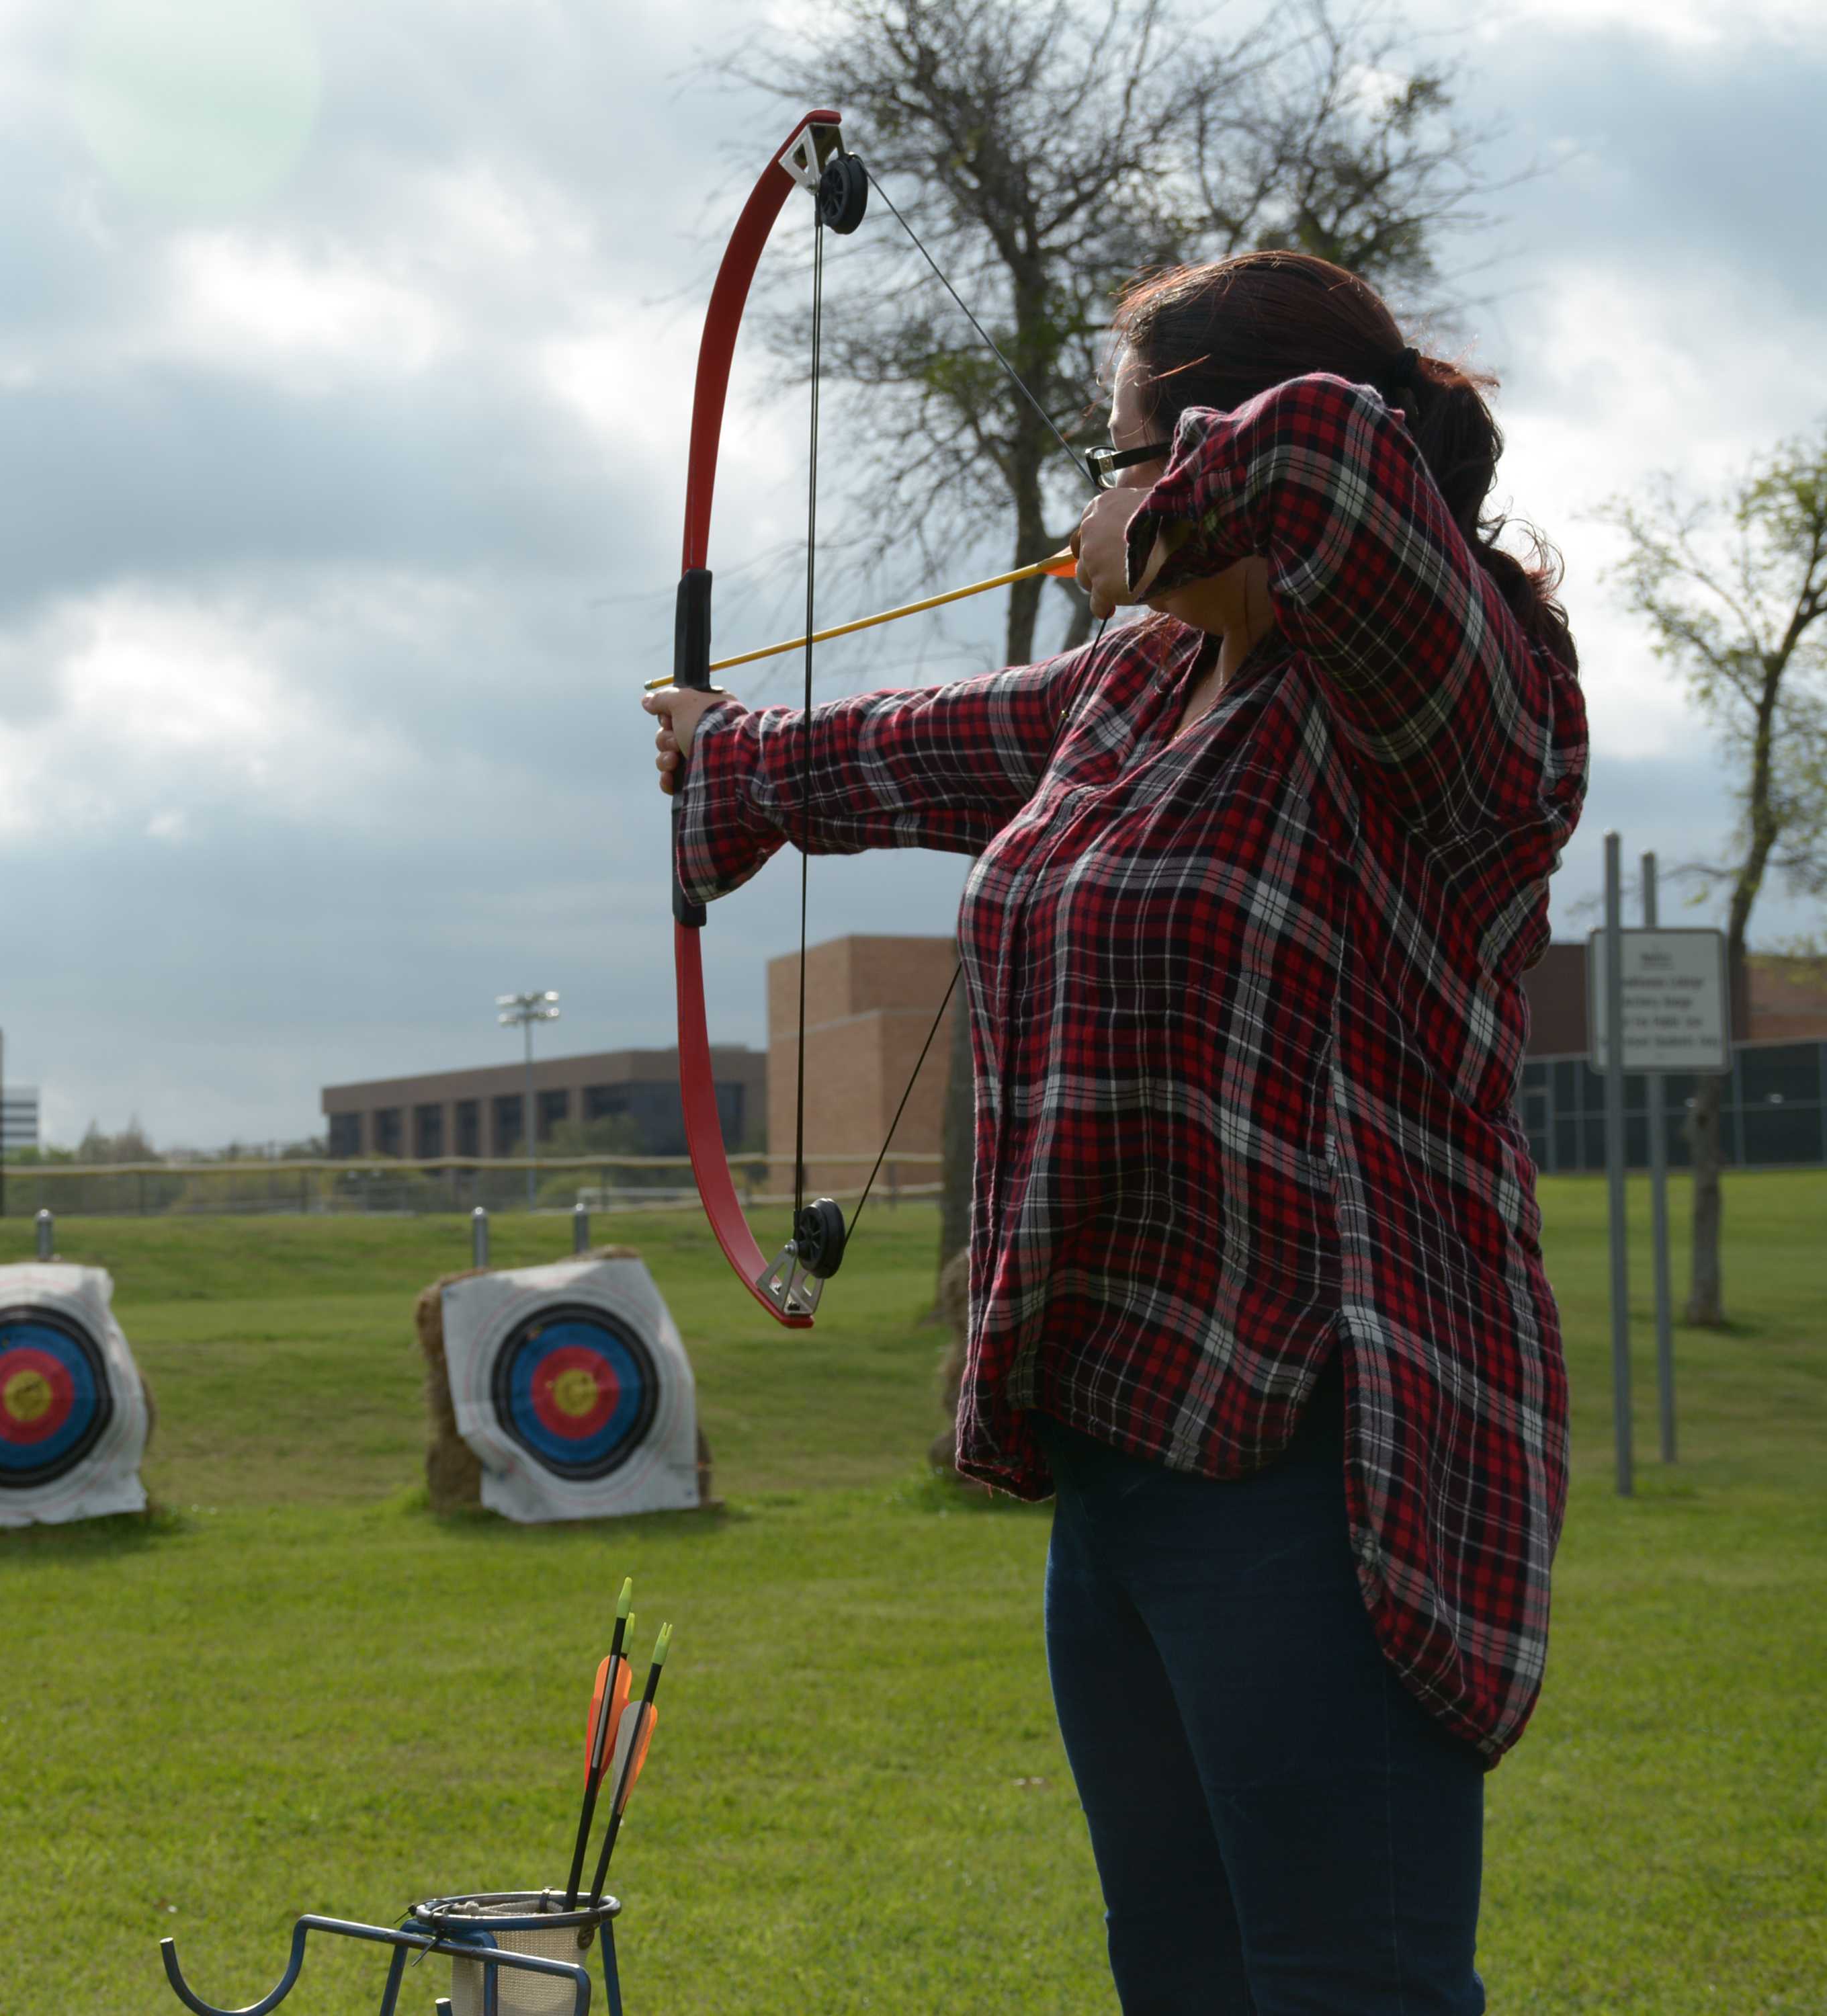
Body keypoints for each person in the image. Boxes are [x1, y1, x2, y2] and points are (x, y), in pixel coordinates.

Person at [644, 249, 1588, 2015]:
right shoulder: (1148, 694)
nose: (1101, 486)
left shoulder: (1451, 688)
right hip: (1126, 1458)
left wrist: (1147, 523)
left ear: (1197, 441)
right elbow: (920, 746)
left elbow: (1328, 459)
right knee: (1182, 1981)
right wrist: (730, 759)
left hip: (1328, 1463)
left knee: (1344, 1986)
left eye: (1122, 441)